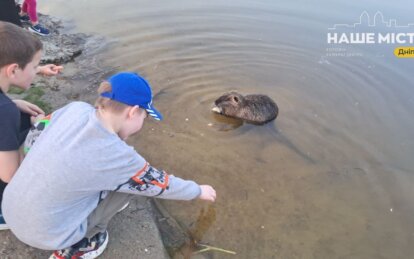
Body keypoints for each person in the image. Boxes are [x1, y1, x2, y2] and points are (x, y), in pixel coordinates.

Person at [2, 72, 217, 259]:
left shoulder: (74, 109)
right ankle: (84, 242)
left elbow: (36, 133)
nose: (142, 122)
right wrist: (198, 190)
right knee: (133, 185)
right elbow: (162, 185)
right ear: (132, 112)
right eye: (144, 115)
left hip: (9, 208)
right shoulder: (121, 158)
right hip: (47, 235)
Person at [0, 21, 63, 230]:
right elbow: (9, 175)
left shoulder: (6, 107)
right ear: (13, 69)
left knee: (22, 118)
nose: (37, 71)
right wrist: (38, 131)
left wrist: (14, 103)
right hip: (5, 183)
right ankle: (4, 213)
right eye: (35, 66)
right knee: (45, 144)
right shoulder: (4, 111)